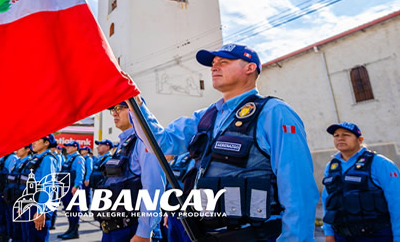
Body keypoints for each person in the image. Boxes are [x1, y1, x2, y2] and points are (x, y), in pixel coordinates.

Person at [132, 43, 319, 240]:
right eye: (213, 63)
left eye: (224, 62)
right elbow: (162, 143)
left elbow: (298, 189)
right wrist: (135, 103)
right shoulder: (206, 116)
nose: (214, 67)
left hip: (255, 235)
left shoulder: (274, 112)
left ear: (250, 67)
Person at [322, 122, 400, 242]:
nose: (340, 138)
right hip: (341, 236)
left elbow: (398, 201)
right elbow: (328, 201)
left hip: (376, 236)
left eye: (346, 135)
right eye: (336, 136)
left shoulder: (380, 163)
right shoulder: (332, 167)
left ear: (360, 140)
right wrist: (329, 233)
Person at [93, 101, 165, 242]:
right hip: (113, 230)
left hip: (132, 230)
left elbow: (153, 187)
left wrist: (144, 232)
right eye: (113, 109)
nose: (114, 113)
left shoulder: (143, 141)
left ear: (135, 110)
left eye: (119, 108)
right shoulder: (123, 143)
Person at [20, 134, 59, 242]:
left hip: (38, 205)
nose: (33, 142)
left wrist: (41, 211)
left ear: (46, 143)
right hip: (30, 203)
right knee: (28, 237)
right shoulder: (36, 158)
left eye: (37, 140)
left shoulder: (48, 159)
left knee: (37, 237)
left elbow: (48, 186)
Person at [4, 145, 33, 242]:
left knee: (21, 229)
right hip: (11, 198)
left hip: (20, 200)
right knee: (12, 225)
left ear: (27, 149)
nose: (17, 149)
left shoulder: (29, 163)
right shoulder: (17, 162)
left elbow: (27, 185)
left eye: (20, 148)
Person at [58, 141, 86, 240]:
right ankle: (70, 229)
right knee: (68, 209)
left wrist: (76, 186)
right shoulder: (68, 158)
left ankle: (74, 231)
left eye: (69, 147)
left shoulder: (78, 158)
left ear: (75, 147)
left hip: (73, 187)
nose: (67, 148)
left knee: (74, 209)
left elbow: (80, 173)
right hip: (66, 187)